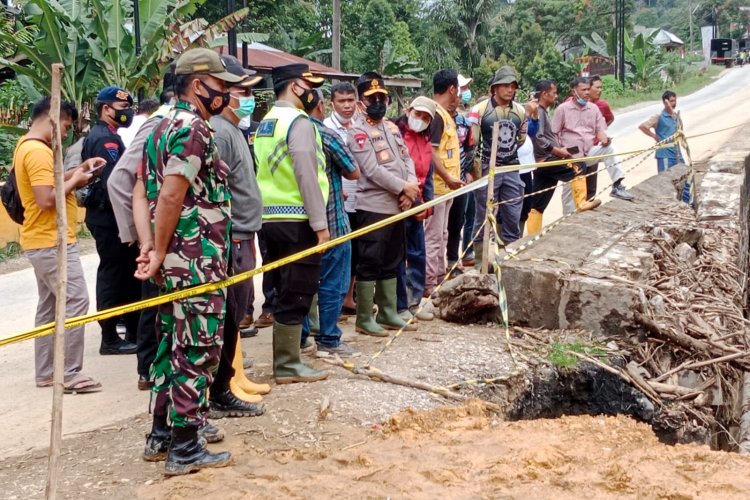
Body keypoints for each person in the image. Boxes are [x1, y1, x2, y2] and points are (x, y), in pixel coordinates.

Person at [135, 48, 243, 475]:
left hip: (175, 261)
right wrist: (158, 249)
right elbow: (171, 194)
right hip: (195, 259)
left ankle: (162, 433)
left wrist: (150, 248)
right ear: (199, 85)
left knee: (170, 345)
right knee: (196, 349)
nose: (229, 94)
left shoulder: (158, 126)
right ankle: (185, 446)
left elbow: (142, 192)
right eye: (223, 86)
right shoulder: (193, 128)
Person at [16, 97, 103, 393]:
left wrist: (77, 173)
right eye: (65, 124)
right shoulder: (37, 152)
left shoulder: (27, 145)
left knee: (50, 306)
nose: (66, 132)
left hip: (40, 239)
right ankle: (69, 372)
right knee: (76, 300)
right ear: (52, 117)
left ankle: (46, 371)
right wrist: (76, 178)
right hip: (52, 240)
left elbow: (51, 184)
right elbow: (46, 199)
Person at [254, 63, 330, 384]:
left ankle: (288, 361)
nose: (313, 92)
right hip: (298, 218)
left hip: (269, 219)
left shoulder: (265, 123)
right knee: (298, 289)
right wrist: (320, 225)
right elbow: (306, 175)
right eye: (309, 85)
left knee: (283, 287)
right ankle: (287, 364)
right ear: (296, 86)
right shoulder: (298, 122)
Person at [207, 55, 267, 416]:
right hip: (234, 235)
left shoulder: (235, 129)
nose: (248, 98)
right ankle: (222, 386)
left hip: (245, 232)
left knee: (239, 308)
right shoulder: (219, 131)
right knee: (231, 311)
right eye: (242, 91)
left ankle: (231, 378)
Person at [108, 88, 174, 390]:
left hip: (174, 236)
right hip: (157, 235)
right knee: (153, 305)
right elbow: (120, 181)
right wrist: (137, 234)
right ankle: (148, 369)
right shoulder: (159, 123)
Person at [347, 72, 420, 336]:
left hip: (398, 206)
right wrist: (404, 187)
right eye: (371, 98)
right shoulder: (357, 131)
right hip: (373, 207)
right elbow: (371, 169)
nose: (378, 101)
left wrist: (410, 188)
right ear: (360, 102)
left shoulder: (391, 126)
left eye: (381, 97)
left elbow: (407, 159)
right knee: (369, 262)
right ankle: (365, 318)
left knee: (393, 260)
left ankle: (388, 312)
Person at [300, 88, 362, 357]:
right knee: (333, 283)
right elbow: (353, 170)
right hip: (333, 220)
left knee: (300, 284)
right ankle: (328, 337)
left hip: (298, 222)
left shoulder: (281, 132)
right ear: (323, 106)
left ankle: (300, 337)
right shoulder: (325, 134)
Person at [81, 86, 140, 355]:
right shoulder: (104, 139)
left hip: (110, 216)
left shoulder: (111, 136)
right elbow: (113, 184)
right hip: (108, 217)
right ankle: (109, 338)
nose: (126, 112)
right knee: (113, 275)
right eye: (121, 107)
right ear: (106, 109)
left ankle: (130, 330)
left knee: (126, 274)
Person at [468, 66, 527, 269]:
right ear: (494, 88)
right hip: (486, 167)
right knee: (483, 215)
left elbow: (520, 139)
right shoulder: (480, 110)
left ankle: (507, 261)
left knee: (512, 215)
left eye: (513, 86)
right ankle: (480, 262)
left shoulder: (519, 111)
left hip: (510, 168)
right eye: (505, 86)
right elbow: (473, 142)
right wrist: (474, 170)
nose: (510, 90)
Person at [527, 80, 601, 235]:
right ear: (544, 94)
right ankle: (581, 202)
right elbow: (538, 138)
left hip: (543, 164)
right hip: (545, 159)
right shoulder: (538, 112)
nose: (556, 96)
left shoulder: (544, 111)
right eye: (554, 93)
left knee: (538, 203)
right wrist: (558, 151)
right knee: (578, 166)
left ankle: (532, 236)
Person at [394, 96, 435, 322]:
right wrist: (404, 195)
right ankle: (399, 305)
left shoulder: (426, 143)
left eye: (425, 118)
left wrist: (426, 207)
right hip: (397, 204)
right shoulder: (395, 135)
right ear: (408, 110)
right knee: (398, 257)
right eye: (417, 114)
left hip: (417, 205)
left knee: (418, 254)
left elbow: (427, 178)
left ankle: (414, 302)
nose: (420, 120)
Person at [424, 69, 464, 296]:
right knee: (433, 237)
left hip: (447, 189)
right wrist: (448, 177)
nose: (459, 95)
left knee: (443, 235)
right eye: (457, 91)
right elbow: (431, 152)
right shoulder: (437, 115)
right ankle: (429, 284)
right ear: (451, 89)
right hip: (439, 188)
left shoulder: (445, 114)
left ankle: (439, 277)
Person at [323, 82, 360, 315]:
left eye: (350, 101)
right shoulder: (325, 128)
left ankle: (349, 297)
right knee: (333, 256)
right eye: (341, 101)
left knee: (355, 252)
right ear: (331, 103)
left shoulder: (360, 126)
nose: (347, 106)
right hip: (335, 202)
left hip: (360, 198)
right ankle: (331, 305)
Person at [552, 77, 608, 211]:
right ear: (574, 92)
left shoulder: (594, 108)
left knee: (590, 186)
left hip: (589, 152)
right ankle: (569, 220)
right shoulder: (562, 109)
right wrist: (560, 151)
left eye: (589, 89)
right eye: (583, 90)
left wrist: (605, 139)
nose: (587, 92)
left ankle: (618, 184)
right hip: (571, 156)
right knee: (569, 191)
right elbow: (554, 133)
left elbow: (601, 129)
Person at [586, 75, 634, 201]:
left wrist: (600, 132)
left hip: (593, 148)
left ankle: (617, 186)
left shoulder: (602, 105)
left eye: (601, 87)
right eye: (597, 87)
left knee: (590, 186)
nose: (600, 90)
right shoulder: (572, 104)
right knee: (575, 186)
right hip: (577, 151)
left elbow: (610, 118)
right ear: (587, 88)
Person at [639, 90, 690, 203]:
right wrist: (654, 136)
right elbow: (643, 126)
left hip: (677, 153)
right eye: (671, 101)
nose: (673, 103)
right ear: (665, 102)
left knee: (685, 179)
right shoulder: (659, 117)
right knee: (666, 182)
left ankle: (687, 203)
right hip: (665, 155)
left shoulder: (676, 117)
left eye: (674, 100)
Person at [447, 74, 476, 270]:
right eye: (460, 91)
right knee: (437, 228)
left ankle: (451, 261)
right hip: (441, 181)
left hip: (460, 179)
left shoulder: (465, 122)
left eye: (463, 92)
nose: (461, 96)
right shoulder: (435, 120)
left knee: (458, 221)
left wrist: (468, 172)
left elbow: (469, 149)